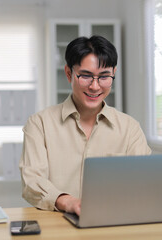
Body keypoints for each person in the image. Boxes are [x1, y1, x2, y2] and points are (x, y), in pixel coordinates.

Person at [19, 35, 151, 216]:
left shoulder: (130, 128)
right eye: (86, 76)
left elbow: (144, 182)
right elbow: (32, 181)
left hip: (113, 222)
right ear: (68, 73)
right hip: (57, 224)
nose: (95, 86)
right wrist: (68, 202)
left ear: (113, 74)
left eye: (104, 76)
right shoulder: (39, 124)